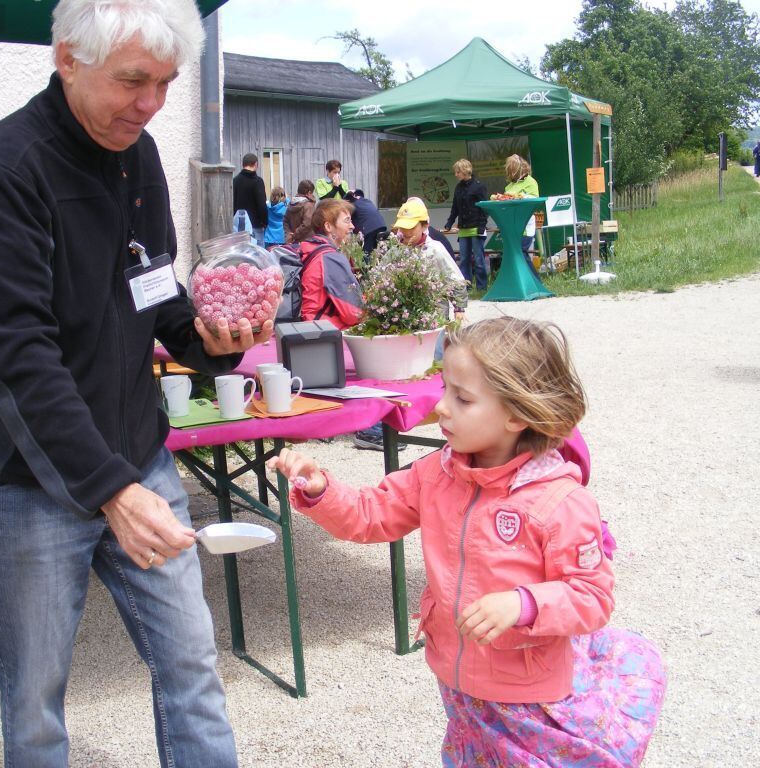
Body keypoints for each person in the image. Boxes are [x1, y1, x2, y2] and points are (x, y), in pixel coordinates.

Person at [0, 2, 273, 765]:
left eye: (165, 82)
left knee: (191, 663)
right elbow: (18, 356)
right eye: (133, 80)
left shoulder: (139, 154)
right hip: (29, 482)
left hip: (135, 459)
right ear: (67, 58)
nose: (151, 103)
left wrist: (211, 344)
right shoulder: (1, 172)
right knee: (34, 696)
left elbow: (152, 287)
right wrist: (111, 491)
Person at [268, 317, 666, 768]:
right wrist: (322, 490)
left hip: (528, 695)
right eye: (444, 390)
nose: (441, 408)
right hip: (458, 683)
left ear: (517, 414)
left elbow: (592, 596)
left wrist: (524, 604)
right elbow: (370, 516)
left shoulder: (559, 502)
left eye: (463, 398)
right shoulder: (435, 474)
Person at [353, 197, 467, 452]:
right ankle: (390, 424)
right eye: (401, 227)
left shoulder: (436, 250)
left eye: (410, 227)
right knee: (404, 373)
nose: (404, 233)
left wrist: (459, 310)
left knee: (435, 371)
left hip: (433, 321)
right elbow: (380, 279)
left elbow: (456, 281)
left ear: (424, 225)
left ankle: (448, 420)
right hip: (404, 321)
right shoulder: (396, 250)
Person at [297, 199, 364, 329]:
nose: (352, 226)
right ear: (328, 227)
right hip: (324, 334)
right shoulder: (331, 258)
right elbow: (354, 313)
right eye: (347, 221)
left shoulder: (309, 249)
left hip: (306, 328)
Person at [444, 159, 490, 291]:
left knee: (479, 260)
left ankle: (482, 288)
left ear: (464, 171)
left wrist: (482, 225)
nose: (456, 174)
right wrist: (449, 223)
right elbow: (455, 208)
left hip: (476, 228)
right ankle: (466, 288)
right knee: (464, 260)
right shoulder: (458, 187)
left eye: (457, 172)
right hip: (463, 228)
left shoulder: (479, 186)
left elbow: (484, 208)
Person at [504, 154, 541, 274]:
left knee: (521, 252)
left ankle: (535, 281)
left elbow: (534, 201)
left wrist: (520, 196)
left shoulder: (531, 182)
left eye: (514, 170)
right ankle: (525, 281)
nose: (512, 173)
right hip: (512, 225)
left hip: (526, 225)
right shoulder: (509, 186)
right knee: (516, 254)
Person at [233, 152, 268, 245]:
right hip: (255, 226)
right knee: (257, 257)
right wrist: (264, 222)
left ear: (243, 164)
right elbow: (262, 205)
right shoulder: (258, 182)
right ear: (256, 164)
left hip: (238, 227)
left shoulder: (235, 181)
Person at [345, 188, 387, 257]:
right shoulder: (367, 201)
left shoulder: (352, 205)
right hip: (382, 225)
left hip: (369, 228)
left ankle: (367, 266)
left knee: (366, 252)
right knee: (378, 249)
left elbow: (351, 224)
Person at [284, 179, 316, 244]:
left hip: (293, 241)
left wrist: (289, 234)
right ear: (309, 192)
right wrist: (295, 234)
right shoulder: (308, 205)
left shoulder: (291, 203)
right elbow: (307, 224)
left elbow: (285, 220)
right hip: (307, 242)